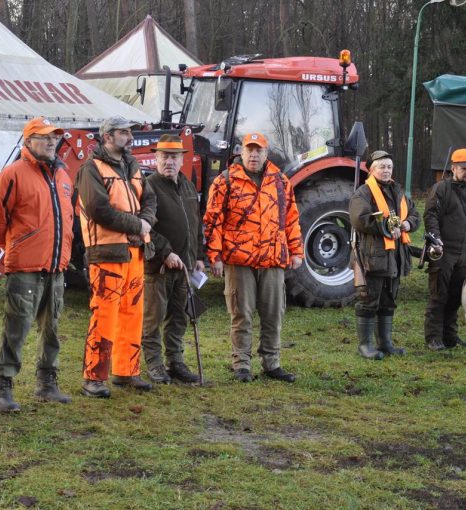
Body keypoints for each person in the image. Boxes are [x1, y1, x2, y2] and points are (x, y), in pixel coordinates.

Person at [0, 117, 74, 412]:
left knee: (53, 327)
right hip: (25, 267)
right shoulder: (13, 174)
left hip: (56, 265)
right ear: (28, 141)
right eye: (44, 137)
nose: (51, 142)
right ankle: (4, 386)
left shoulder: (62, 175)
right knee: (17, 327)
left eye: (54, 137)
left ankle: (47, 383)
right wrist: (15, 244)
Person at [203, 132, 303, 383]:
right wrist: (214, 256)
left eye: (259, 150)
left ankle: (272, 363)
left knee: (273, 314)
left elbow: (290, 218)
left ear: (266, 154)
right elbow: (213, 220)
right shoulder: (225, 181)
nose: (254, 155)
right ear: (241, 152)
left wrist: (296, 251)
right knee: (241, 314)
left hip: (273, 259)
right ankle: (242, 365)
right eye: (250, 150)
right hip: (239, 260)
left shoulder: (280, 181)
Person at [77, 116, 156, 397]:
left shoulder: (132, 165)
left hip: (134, 251)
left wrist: (145, 221)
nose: (130, 138)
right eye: (123, 133)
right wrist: (138, 225)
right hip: (106, 253)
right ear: (107, 137)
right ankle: (94, 378)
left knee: (132, 313)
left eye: (130, 132)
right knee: (105, 314)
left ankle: (126, 371)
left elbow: (149, 198)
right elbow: (99, 210)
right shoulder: (91, 168)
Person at [142, 134, 203, 384]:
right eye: (164, 156)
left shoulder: (187, 185)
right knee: (153, 318)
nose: (169, 161)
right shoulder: (149, 186)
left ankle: (175, 361)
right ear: (156, 158)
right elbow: (145, 227)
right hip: (159, 268)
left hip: (186, 267)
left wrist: (198, 256)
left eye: (174, 156)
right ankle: (155, 364)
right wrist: (166, 252)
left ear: (181, 159)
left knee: (179, 317)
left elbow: (195, 223)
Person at [349, 150, 420, 359]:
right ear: (371, 170)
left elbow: (414, 215)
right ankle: (366, 346)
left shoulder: (398, 191)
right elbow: (360, 219)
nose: (386, 170)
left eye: (389, 166)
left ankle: (385, 343)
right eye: (382, 166)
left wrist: (407, 223)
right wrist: (388, 227)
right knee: (368, 299)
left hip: (395, 257)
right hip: (371, 256)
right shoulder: (363, 193)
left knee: (389, 300)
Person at [423, 148, 466, 351]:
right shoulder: (440, 189)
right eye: (464, 168)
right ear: (453, 168)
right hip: (443, 252)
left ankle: (450, 336)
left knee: (455, 297)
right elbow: (430, 215)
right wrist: (436, 240)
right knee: (438, 295)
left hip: (464, 255)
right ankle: (433, 337)